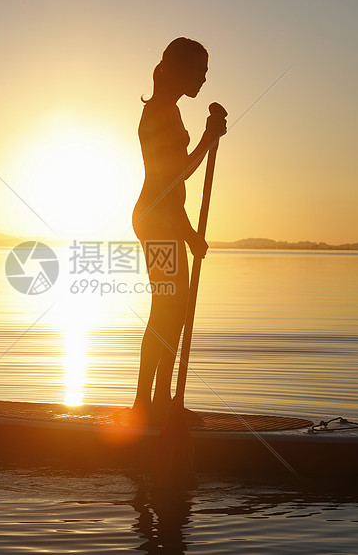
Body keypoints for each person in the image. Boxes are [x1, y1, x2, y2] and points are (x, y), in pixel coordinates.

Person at [131, 37, 226, 425]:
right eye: (199, 70)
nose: (204, 78)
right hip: (155, 220)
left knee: (175, 313)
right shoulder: (157, 113)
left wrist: (188, 232)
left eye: (205, 71)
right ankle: (145, 405)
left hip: (166, 217)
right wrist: (207, 139)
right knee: (166, 312)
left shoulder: (169, 110)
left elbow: (172, 193)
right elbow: (172, 179)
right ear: (176, 69)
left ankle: (162, 402)